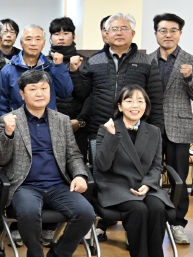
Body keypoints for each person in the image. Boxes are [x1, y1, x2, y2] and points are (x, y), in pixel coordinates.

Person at [0, 71, 95, 257]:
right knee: (29, 212)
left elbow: (73, 155)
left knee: (86, 213)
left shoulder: (62, 120)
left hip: (58, 185)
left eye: (44, 88)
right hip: (25, 186)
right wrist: (8, 134)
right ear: (22, 94)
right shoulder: (9, 120)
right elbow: (1, 159)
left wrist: (80, 175)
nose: (39, 93)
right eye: (33, 89)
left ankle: (60, 254)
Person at [95, 85, 174, 257]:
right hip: (116, 186)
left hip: (145, 186)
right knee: (138, 209)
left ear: (146, 106)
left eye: (140, 101)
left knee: (157, 208)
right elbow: (102, 165)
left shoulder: (154, 131)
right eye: (129, 101)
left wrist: (148, 184)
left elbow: (157, 166)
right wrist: (111, 136)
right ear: (120, 106)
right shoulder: (108, 128)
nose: (135, 105)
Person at [69, 13, 164, 171]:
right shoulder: (94, 61)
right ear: (106, 34)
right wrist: (74, 72)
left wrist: (157, 133)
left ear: (133, 33)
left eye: (124, 28)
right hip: (100, 129)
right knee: (101, 172)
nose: (119, 33)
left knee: (132, 173)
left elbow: (155, 99)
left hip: (136, 131)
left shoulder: (147, 62)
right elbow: (82, 94)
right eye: (114, 29)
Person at [149, 13, 193, 245]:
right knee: (148, 175)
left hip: (179, 128)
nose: (168, 35)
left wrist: (189, 78)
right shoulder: (146, 60)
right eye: (163, 30)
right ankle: (148, 221)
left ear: (180, 33)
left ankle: (177, 223)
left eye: (173, 30)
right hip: (151, 128)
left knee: (179, 179)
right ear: (156, 33)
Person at [0, 24, 73, 121]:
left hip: (48, 122)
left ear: (44, 43)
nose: (33, 43)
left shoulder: (51, 66)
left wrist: (58, 67)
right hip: (18, 123)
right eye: (28, 39)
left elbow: (65, 93)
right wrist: (3, 123)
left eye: (38, 39)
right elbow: (1, 104)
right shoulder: (8, 70)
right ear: (21, 43)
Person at [48, 17, 88, 158]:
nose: (61, 37)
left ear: (74, 36)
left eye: (66, 33)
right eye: (56, 34)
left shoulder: (84, 62)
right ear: (50, 37)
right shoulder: (44, 62)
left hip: (76, 124)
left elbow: (88, 95)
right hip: (48, 124)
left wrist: (80, 121)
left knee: (76, 163)